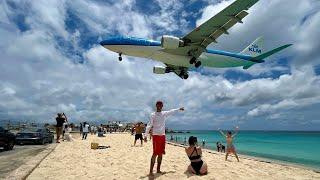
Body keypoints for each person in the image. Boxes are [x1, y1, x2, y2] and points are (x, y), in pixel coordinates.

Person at [144, 101, 184, 176]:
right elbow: (149, 125)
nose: (159, 106)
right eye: (158, 104)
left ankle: (158, 170)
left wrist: (179, 109)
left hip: (163, 136)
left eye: (161, 105)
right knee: (155, 153)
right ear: (156, 105)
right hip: (156, 136)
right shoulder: (153, 115)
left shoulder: (164, 113)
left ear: (162, 106)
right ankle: (150, 171)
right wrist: (145, 135)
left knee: (161, 153)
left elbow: (171, 111)